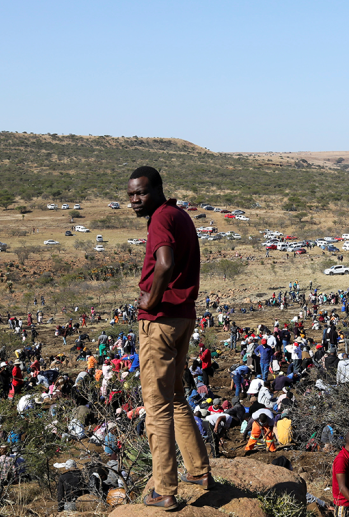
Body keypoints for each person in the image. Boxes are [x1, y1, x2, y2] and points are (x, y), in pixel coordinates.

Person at [129, 167, 212, 509]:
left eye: (141, 193)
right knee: (176, 395)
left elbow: (164, 263)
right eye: (131, 195)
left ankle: (164, 490)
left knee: (156, 405)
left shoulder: (162, 218)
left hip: (160, 319)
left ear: (159, 189)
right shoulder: (178, 214)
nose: (135, 200)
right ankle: (199, 470)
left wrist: (150, 298)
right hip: (183, 316)